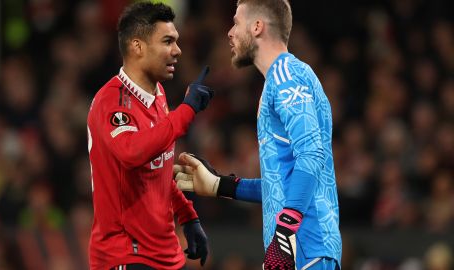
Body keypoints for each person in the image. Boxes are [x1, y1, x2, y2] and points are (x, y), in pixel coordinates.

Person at [174, 0, 341, 269]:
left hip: (305, 248)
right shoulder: (280, 80)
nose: (229, 32)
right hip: (303, 247)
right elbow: (284, 186)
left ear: (257, 27)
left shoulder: (287, 76)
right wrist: (221, 185)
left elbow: (311, 154)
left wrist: (284, 233)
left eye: (236, 22)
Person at [86, 2, 213, 270]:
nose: (177, 51)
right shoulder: (111, 102)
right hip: (126, 256)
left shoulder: (158, 96)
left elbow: (157, 169)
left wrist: (187, 216)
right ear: (137, 47)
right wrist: (187, 111)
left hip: (165, 255)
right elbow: (132, 153)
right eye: (168, 41)